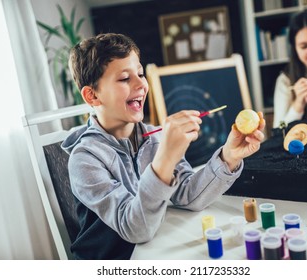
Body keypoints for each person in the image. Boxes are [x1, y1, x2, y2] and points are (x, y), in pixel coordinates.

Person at [61, 33, 265, 260]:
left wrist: (229, 157)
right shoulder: (84, 160)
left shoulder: (155, 138)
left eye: (140, 73)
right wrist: (165, 158)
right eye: (124, 78)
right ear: (92, 95)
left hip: (155, 251)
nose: (141, 84)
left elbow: (189, 195)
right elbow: (135, 229)